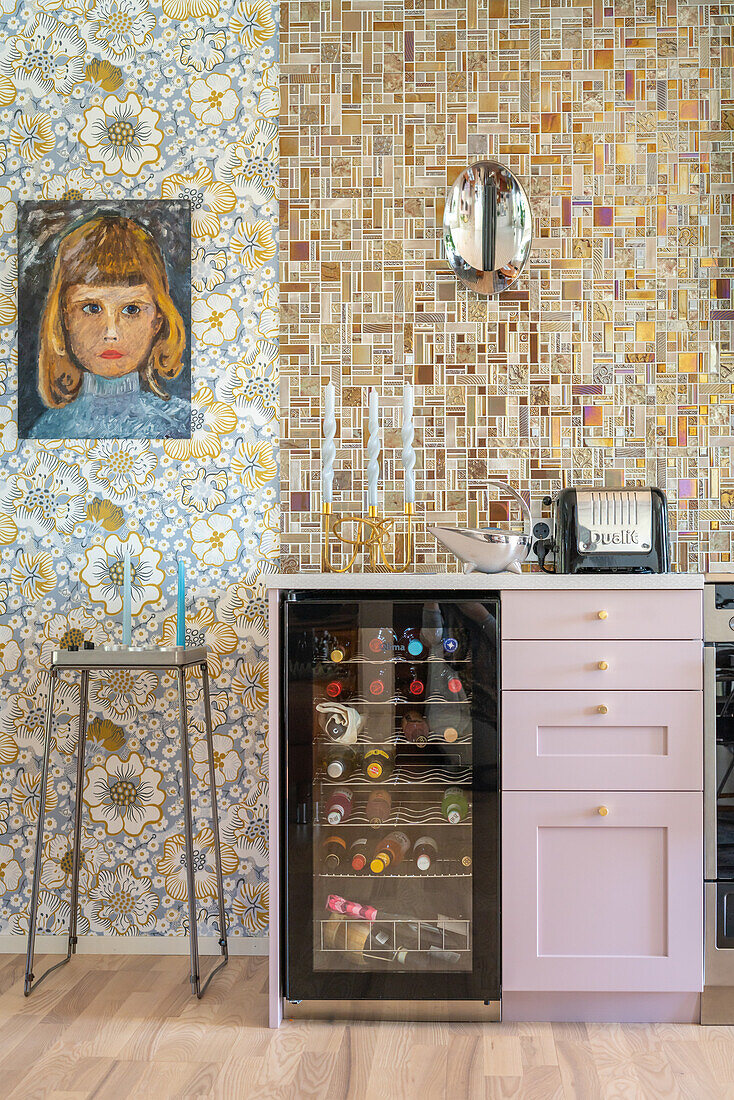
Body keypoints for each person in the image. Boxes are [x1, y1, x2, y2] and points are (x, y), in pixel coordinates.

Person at [28, 213, 190, 439]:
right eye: (92, 308)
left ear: (158, 321)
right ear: (65, 318)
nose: (110, 333)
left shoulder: (183, 424)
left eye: (131, 309)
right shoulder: (47, 431)